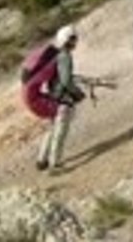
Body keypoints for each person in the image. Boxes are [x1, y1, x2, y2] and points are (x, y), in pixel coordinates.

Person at [36, 24, 86, 172]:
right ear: (66, 40)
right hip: (63, 100)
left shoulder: (55, 55)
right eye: (73, 39)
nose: (75, 42)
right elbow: (65, 81)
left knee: (51, 129)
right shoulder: (65, 56)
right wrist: (77, 93)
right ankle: (55, 164)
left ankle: (41, 160)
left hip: (52, 98)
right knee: (60, 132)